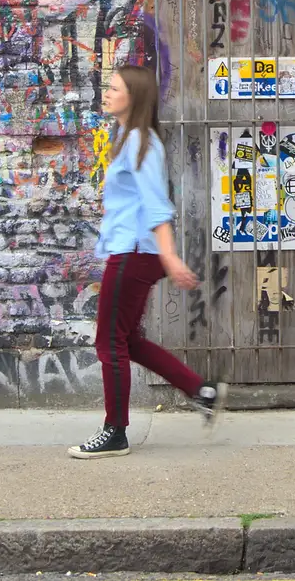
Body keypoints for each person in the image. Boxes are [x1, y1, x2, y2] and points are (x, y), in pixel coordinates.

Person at [70, 65, 227, 459]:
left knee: (109, 343)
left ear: (134, 97)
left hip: (135, 255)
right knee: (127, 340)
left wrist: (169, 256)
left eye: (114, 88)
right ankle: (200, 389)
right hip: (132, 252)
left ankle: (115, 432)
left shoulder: (142, 141)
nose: (105, 93)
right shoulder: (127, 137)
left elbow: (156, 205)